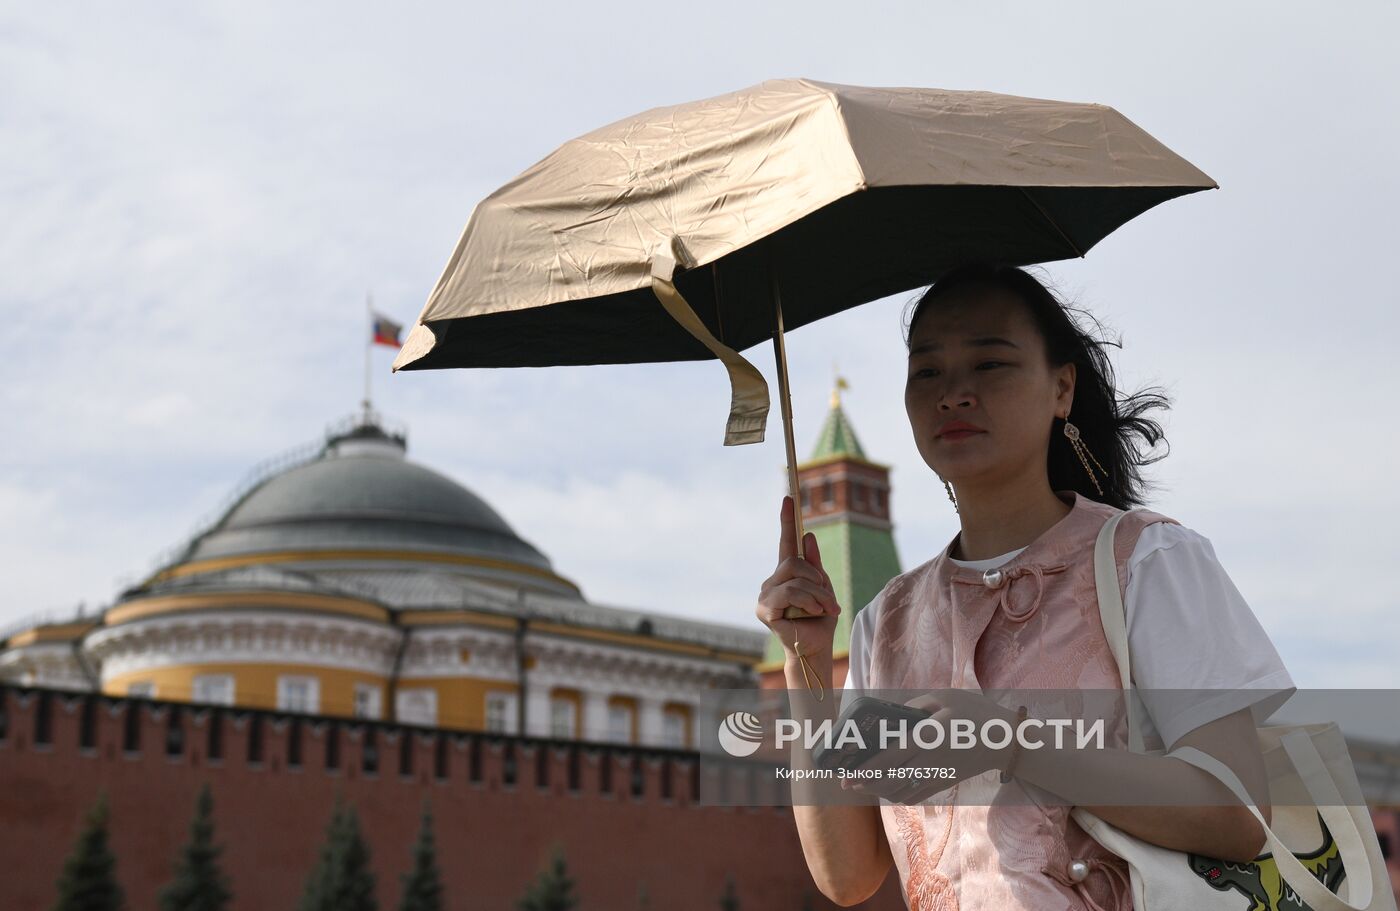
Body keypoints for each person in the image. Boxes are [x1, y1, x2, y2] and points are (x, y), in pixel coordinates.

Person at [755, 263, 1296, 909]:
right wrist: (806, 661)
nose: (953, 393)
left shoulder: (1146, 560)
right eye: (926, 371)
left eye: (989, 364)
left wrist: (1007, 740)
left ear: (1061, 387)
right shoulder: (886, 621)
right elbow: (846, 875)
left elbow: (1236, 813)